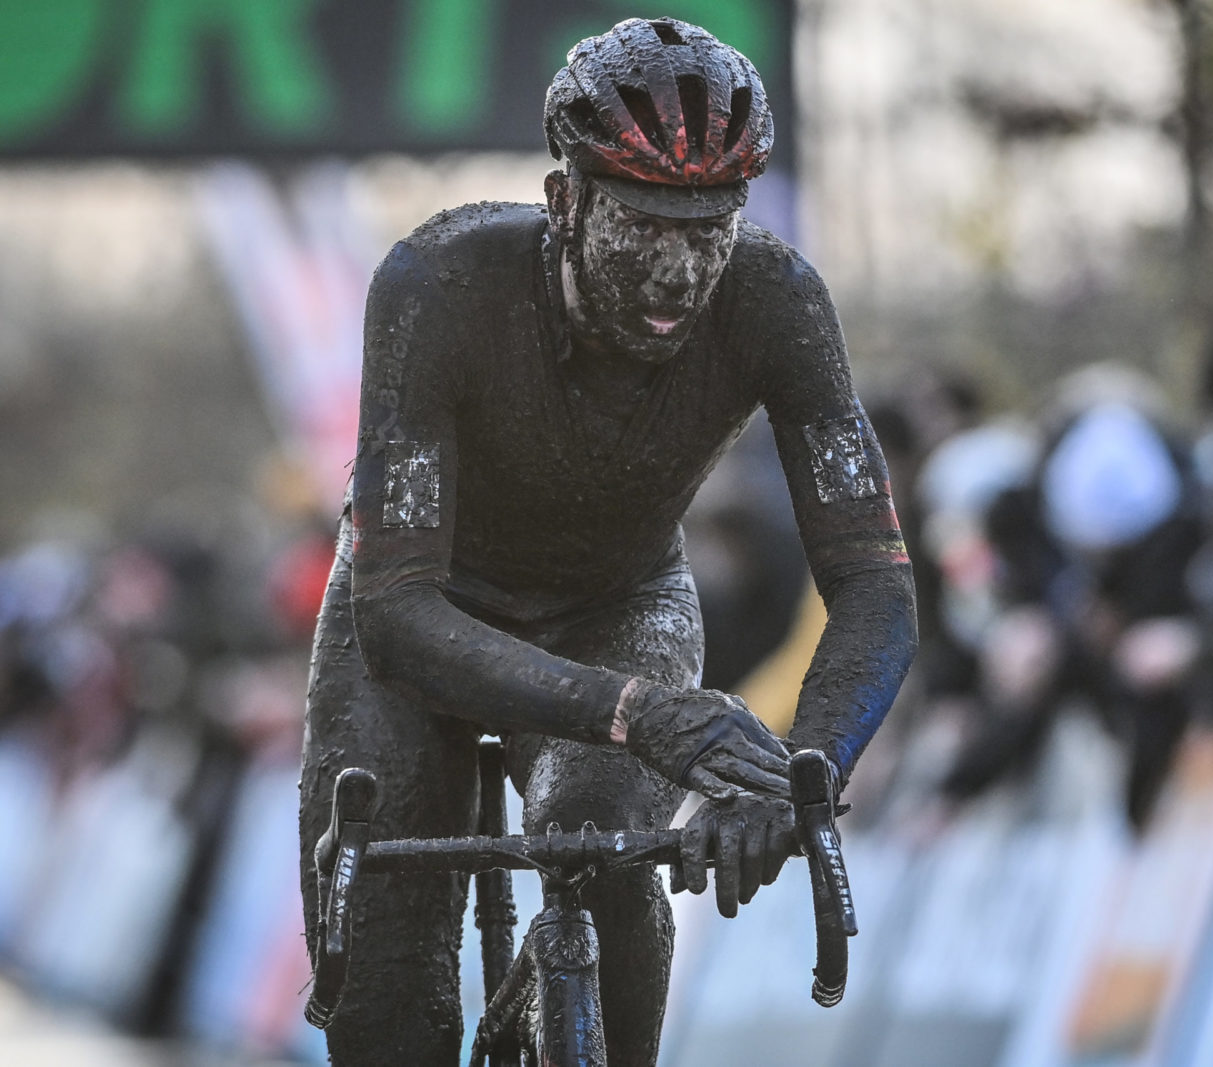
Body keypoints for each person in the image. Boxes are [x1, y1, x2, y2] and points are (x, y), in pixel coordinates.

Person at [297, 19, 917, 1066]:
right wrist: (640, 711)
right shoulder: (439, 283)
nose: (679, 271)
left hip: (616, 603)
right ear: (565, 201)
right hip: (421, 611)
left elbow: (876, 585)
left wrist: (792, 773)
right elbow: (394, 616)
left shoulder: (777, 300)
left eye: (709, 231)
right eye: (644, 226)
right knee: (387, 1000)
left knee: (602, 851)